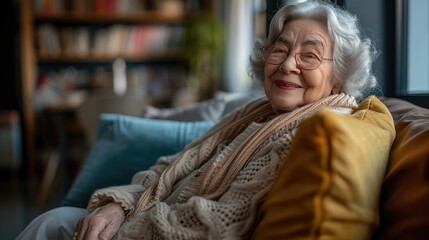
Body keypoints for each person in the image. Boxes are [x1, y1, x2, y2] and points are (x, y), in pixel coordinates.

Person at [16, 0, 379, 239]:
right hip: (142, 217)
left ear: (339, 75)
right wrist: (118, 205)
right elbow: (168, 167)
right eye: (280, 49)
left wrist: (126, 226)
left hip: (153, 231)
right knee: (52, 222)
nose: (287, 64)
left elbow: (219, 224)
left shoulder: (310, 132)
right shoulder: (256, 113)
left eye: (310, 56)